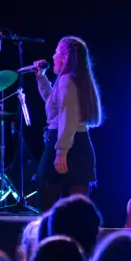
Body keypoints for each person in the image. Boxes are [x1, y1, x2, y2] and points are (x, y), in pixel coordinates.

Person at [31, 36, 103, 211]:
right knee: (77, 211)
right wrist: (41, 78)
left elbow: (68, 116)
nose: (53, 56)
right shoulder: (73, 79)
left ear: (64, 57)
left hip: (65, 142)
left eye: (56, 52)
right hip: (80, 144)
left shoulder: (66, 80)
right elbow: (54, 103)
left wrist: (61, 151)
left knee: (48, 206)